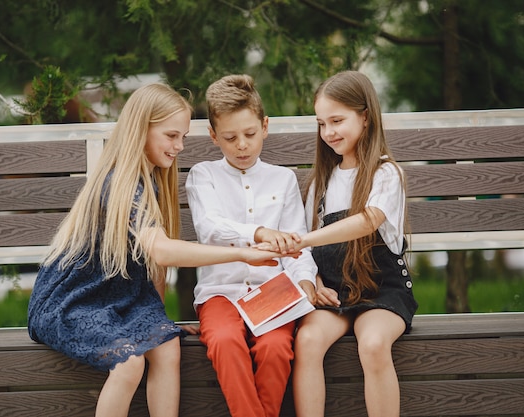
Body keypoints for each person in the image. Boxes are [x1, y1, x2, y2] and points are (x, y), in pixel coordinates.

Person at [27, 82, 298, 417]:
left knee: (168, 345)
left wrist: (158, 317)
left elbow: (152, 267)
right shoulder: (121, 184)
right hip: (75, 300)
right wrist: (242, 252)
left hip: (122, 298)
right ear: (142, 129)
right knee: (129, 362)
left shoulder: (153, 178)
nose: (179, 146)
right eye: (171, 136)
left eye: (183, 136)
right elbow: (162, 252)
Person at [185, 74, 318, 417]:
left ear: (265, 126)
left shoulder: (283, 179)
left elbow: (297, 244)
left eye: (249, 134)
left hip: (273, 292)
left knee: (275, 347)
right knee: (225, 341)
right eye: (230, 137)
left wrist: (305, 280)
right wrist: (257, 232)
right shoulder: (203, 175)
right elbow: (209, 226)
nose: (241, 145)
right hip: (220, 292)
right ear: (213, 136)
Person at [291, 71, 419, 417]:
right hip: (334, 292)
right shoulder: (320, 181)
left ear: (365, 116)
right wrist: (315, 283)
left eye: (337, 120)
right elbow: (306, 254)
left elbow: (368, 221)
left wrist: (306, 238)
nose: (328, 132)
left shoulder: (386, 173)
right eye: (321, 123)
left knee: (374, 343)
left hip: (382, 291)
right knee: (307, 341)